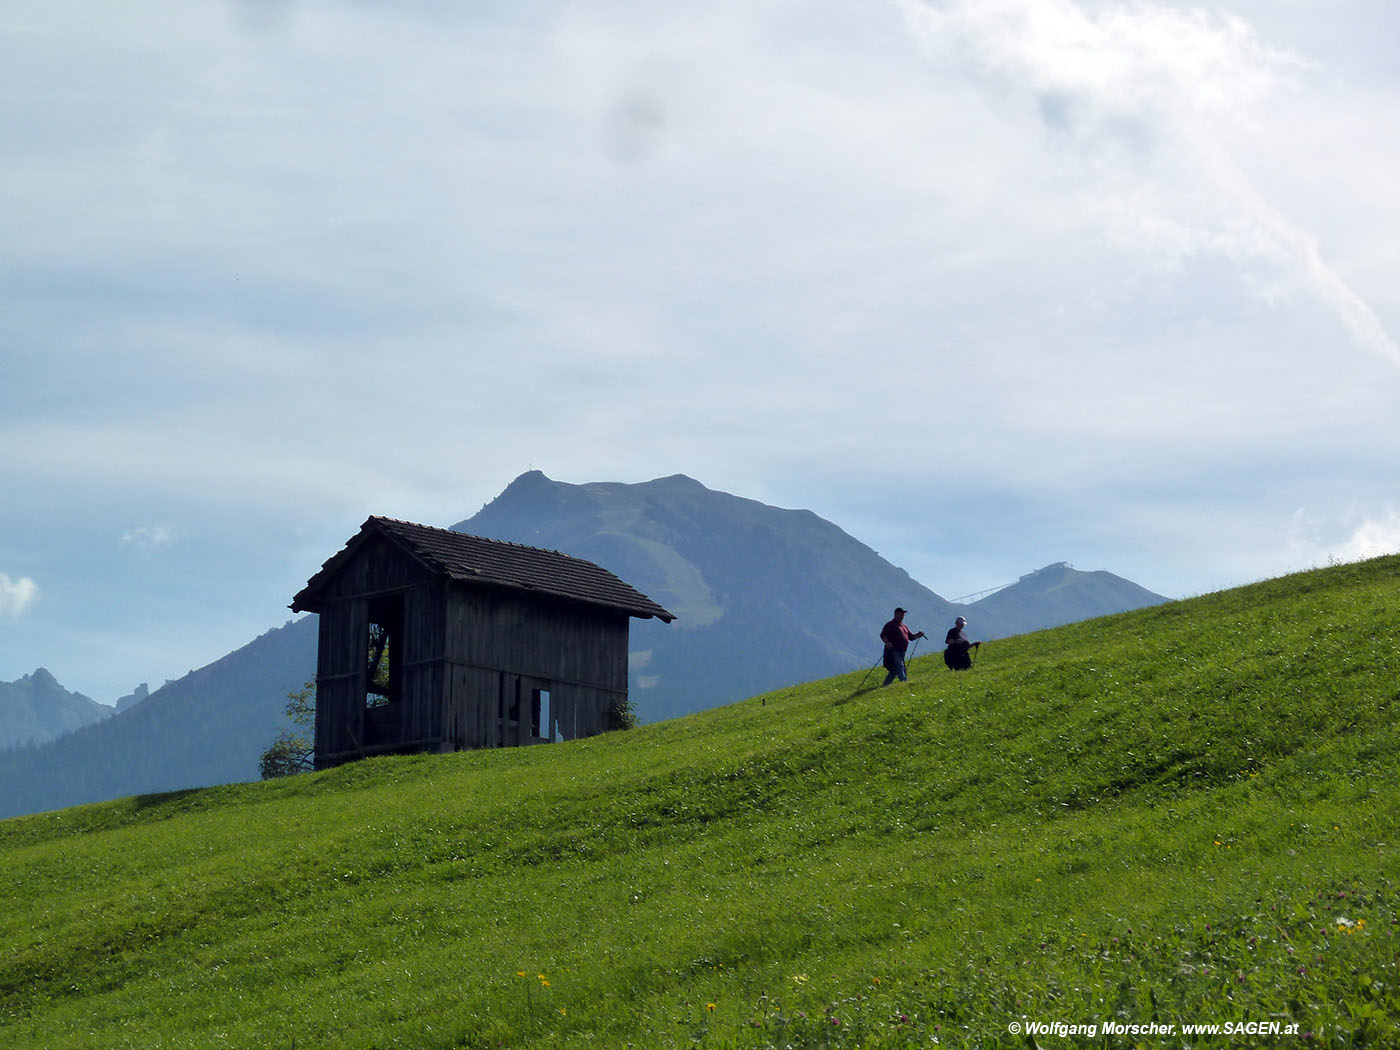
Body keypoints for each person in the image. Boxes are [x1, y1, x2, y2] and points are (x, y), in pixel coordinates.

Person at [880, 607, 926, 685]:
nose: (903, 616)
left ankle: (885, 685)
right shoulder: (890, 625)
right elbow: (883, 635)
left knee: (895, 670)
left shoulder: (904, 626)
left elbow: (911, 637)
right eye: (901, 614)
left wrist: (918, 635)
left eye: (903, 614)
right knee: (900, 666)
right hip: (893, 650)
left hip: (902, 651)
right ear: (896, 614)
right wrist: (887, 643)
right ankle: (904, 683)